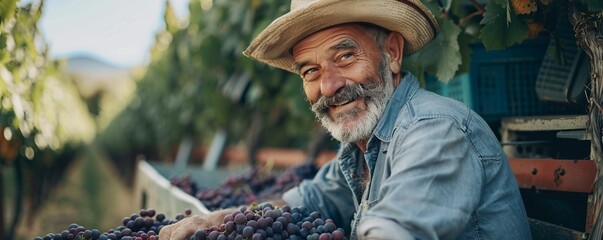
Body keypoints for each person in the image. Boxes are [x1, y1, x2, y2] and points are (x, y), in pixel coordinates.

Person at [160, 0, 532, 239]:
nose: (329, 86)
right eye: (310, 71)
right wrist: (216, 221)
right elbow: (305, 200)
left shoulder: (435, 129)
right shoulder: (363, 149)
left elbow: (396, 228)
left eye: (344, 57)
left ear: (392, 53)